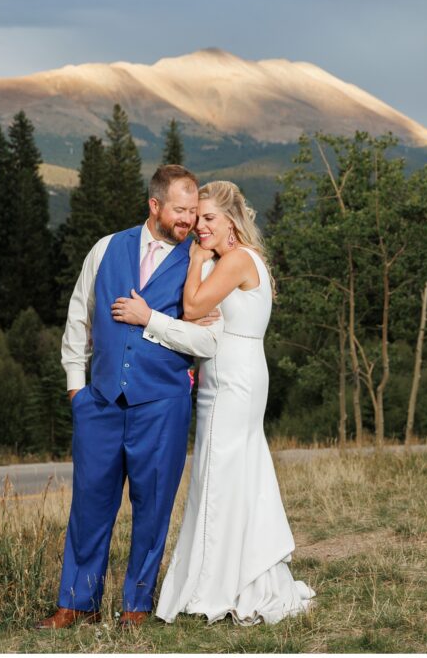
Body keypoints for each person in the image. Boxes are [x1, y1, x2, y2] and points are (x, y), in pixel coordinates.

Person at [111, 180, 315, 625]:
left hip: (230, 380)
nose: (200, 227)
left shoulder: (236, 259)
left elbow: (191, 307)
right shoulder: (242, 258)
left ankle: (214, 586)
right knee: (235, 472)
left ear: (231, 221)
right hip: (236, 371)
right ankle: (242, 574)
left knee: (218, 475)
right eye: (197, 218)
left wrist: (197, 263)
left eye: (208, 219)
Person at [36, 164, 223, 630]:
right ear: (154, 205)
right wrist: (76, 386)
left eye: (194, 212)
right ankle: (77, 602)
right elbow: (80, 316)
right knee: (89, 504)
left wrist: (151, 320)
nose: (189, 221)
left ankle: (136, 606)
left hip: (162, 404)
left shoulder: (202, 264)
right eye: (180, 211)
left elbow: (208, 342)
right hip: (98, 402)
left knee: (152, 506)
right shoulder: (105, 249)